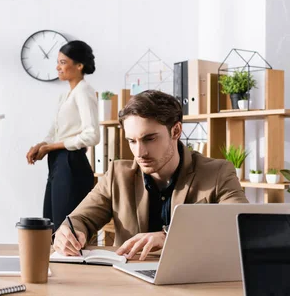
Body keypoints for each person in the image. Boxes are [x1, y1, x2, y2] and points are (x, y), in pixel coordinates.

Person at [53, 90, 248, 260]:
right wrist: (70, 232)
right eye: (132, 141)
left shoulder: (217, 173)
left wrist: (168, 236)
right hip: (131, 285)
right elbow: (80, 219)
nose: (139, 152)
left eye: (149, 139)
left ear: (176, 131)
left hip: (193, 281)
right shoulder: (117, 175)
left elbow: (242, 224)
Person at [26, 40, 100, 230]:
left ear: (79, 65)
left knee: (64, 229)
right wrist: (41, 144)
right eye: (57, 62)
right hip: (58, 163)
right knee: (50, 225)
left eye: (63, 62)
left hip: (72, 163)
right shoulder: (66, 95)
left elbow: (92, 135)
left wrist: (51, 147)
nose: (58, 67)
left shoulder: (84, 91)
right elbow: (55, 132)